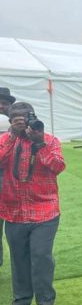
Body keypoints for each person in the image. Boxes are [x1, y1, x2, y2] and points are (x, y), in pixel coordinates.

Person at [0, 102, 65, 305]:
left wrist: (40, 144)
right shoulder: (4, 140)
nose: (23, 123)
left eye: (26, 118)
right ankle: (21, 301)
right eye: (17, 119)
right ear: (10, 121)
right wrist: (12, 137)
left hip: (45, 210)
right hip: (13, 211)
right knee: (18, 259)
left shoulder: (49, 140)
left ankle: (45, 301)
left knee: (41, 256)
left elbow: (58, 167)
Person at [0, 87, 15, 268]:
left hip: (17, 187)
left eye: (4, 103)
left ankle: (21, 265)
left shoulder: (21, 125)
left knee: (17, 233)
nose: (1, 106)